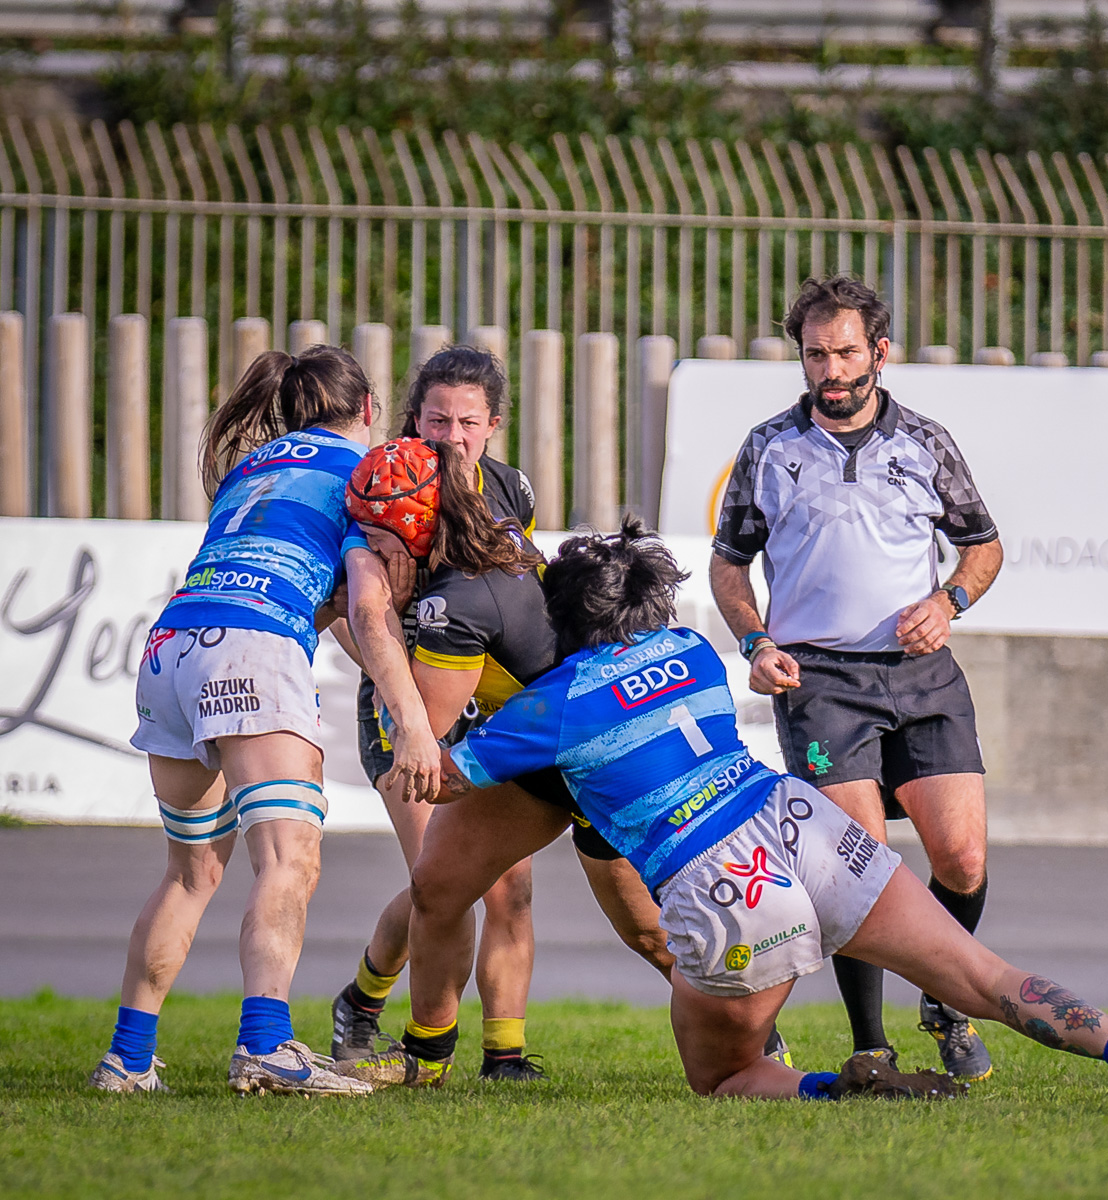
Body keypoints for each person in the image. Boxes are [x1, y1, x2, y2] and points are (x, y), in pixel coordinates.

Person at [346, 523, 1108, 1102]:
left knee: (725, 1078)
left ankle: (842, 1090)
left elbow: (438, 777)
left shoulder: (557, 704)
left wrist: (382, 658)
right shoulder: (692, 650)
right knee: (981, 976)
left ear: (565, 618)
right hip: (799, 824)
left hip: (723, 879)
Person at [89, 346, 437, 1097]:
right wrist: (411, 717)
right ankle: (266, 1044)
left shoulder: (253, 467)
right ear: (368, 408)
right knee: (290, 860)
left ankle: (127, 1058)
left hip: (173, 644)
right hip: (252, 647)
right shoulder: (367, 471)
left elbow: (320, 598)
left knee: (190, 872)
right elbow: (367, 614)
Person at [710, 276, 1004, 1079]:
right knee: (860, 868)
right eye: (815, 355)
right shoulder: (770, 446)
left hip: (921, 671)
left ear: (879, 351)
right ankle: (869, 1046)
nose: (830, 370)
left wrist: (951, 599)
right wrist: (754, 642)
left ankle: (942, 1000)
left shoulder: (927, 442)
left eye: (845, 352)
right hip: (820, 681)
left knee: (964, 860)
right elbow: (729, 565)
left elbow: (984, 546)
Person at [329, 435, 675, 1084]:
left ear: (412, 527)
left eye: (371, 538)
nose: (363, 552)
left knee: (652, 934)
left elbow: (423, 752)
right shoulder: (489, 538)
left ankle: (756, 1043)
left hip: (601, 761)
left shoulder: (452, 600)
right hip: (550, 750)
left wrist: (386, 615)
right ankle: (427, 1058)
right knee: (438, 884)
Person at [337, 347, 548, 1077]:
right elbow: (347, 611)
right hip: (409, 708)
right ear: (412, 418)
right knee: (443, 886)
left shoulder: (510, 489)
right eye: (435, 420)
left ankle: (506, 1056)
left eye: (466, 422)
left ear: (492, 424)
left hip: (485, 703)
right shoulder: (383, 486)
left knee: (509, 885)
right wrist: (406, 698)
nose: (450, 436)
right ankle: (374, 1005)